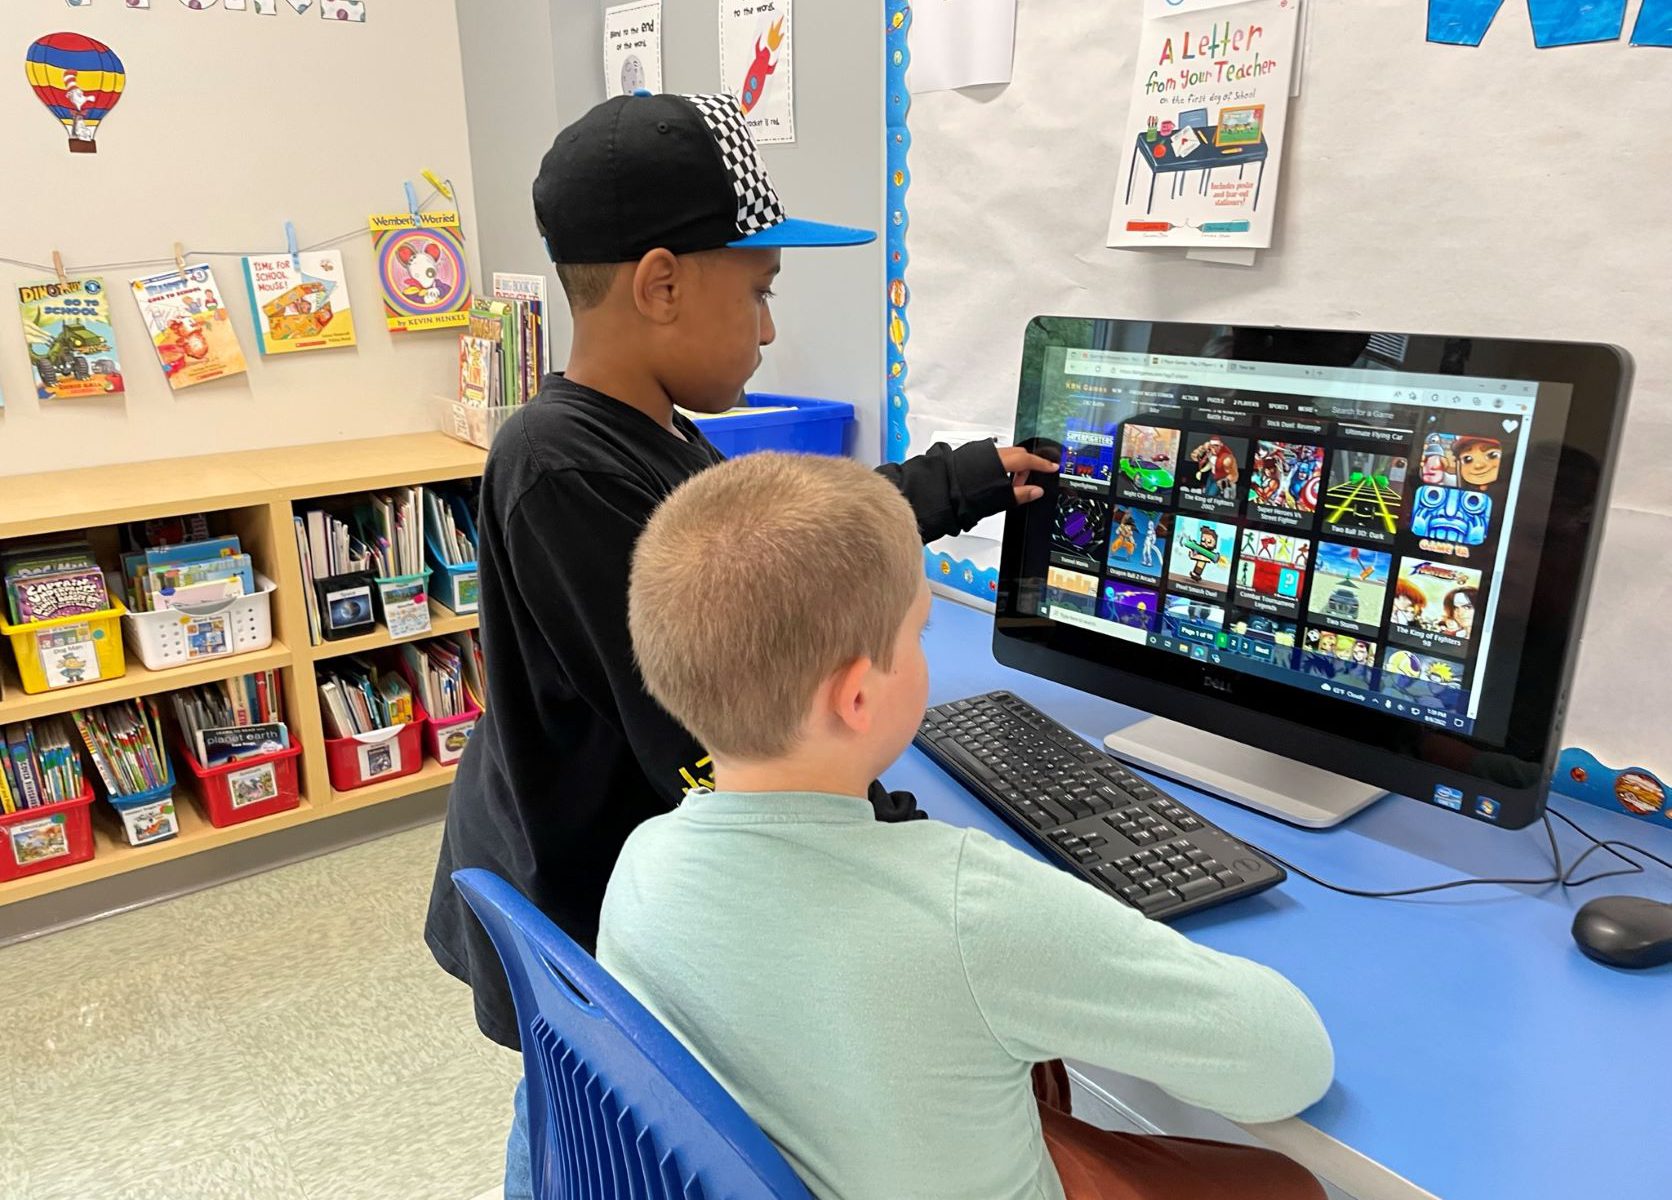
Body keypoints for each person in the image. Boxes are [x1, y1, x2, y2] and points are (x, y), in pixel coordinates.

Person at [420, 92, 1055, 1194]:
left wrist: (965, 480)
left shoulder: (653, 433)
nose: (768, 329)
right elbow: (715, 739)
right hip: (587, 902)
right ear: (662, 282)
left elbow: (787, 539)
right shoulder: (564, 468)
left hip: (618, 873)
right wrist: (894, 842)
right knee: (584, 1117)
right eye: (758, 292)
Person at [605, 452, 1334, 1200]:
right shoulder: (969, 908)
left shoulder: (641, 862)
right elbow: (1289, 1060)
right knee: (1287, 1185)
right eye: (919, 632)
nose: (926, 649)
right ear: (857, 697)